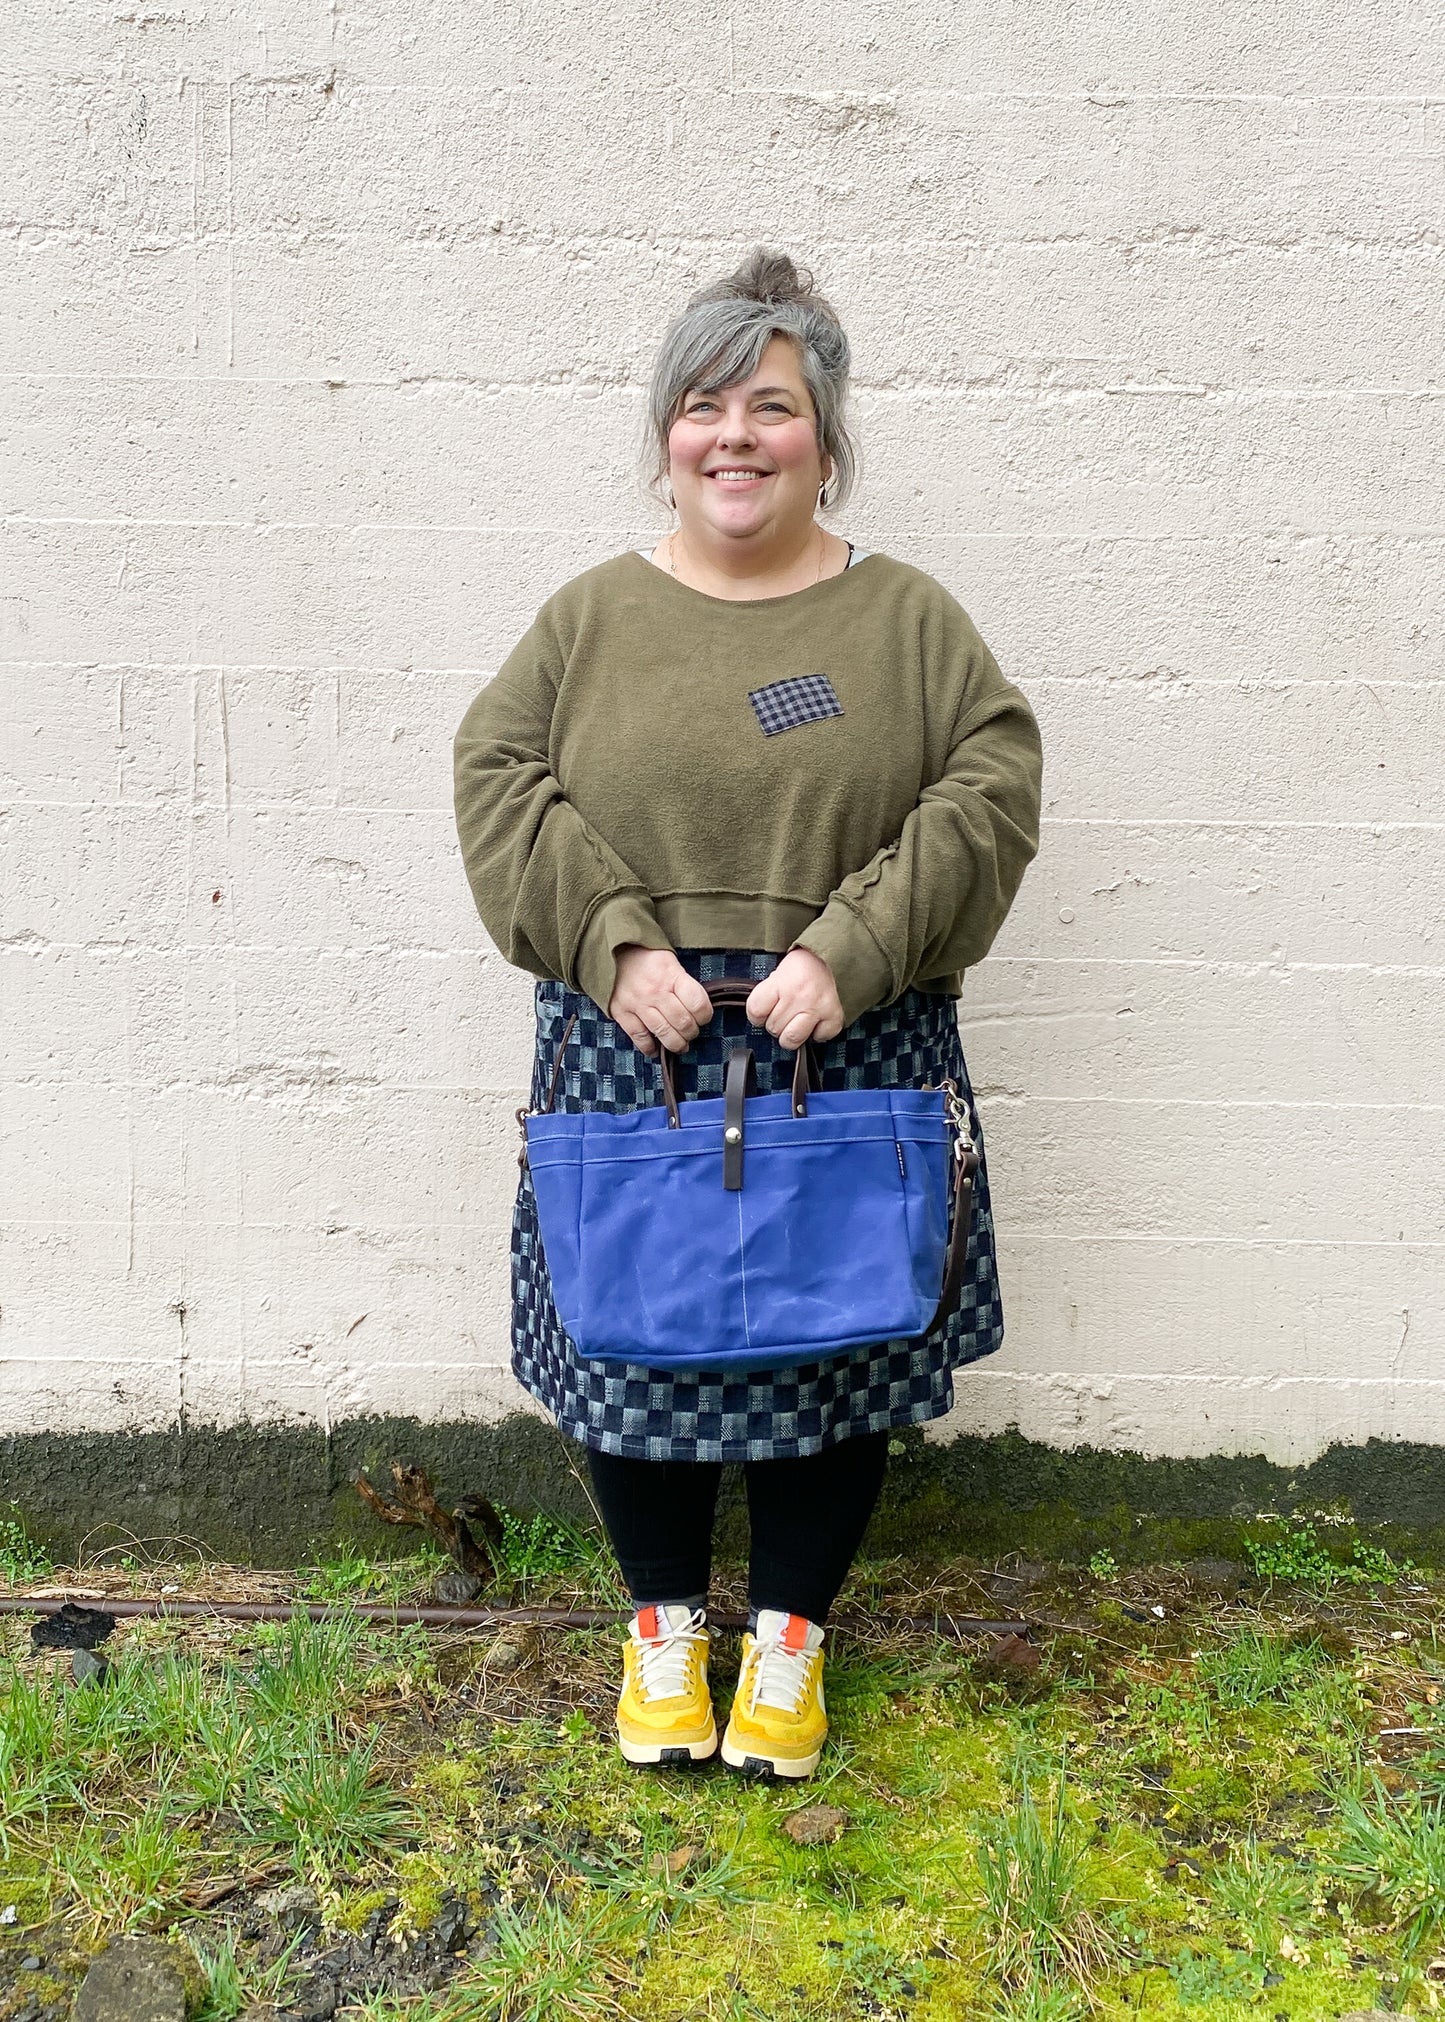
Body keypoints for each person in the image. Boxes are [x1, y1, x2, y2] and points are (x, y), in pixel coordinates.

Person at [453, 249, 1043, 1780]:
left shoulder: (907, 625)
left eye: (768, 406)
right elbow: (496, 778)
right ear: (664, 432)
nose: (734, 435)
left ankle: (784, 1647)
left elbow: (990, 784)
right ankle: (662, 1635)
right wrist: (609, 940)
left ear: (823, 435)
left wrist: (852, 946)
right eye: (703, 404)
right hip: (627, 1040)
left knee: (832, 1339)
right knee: (631, 1343)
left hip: (842, 1041)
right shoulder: (587, 623)